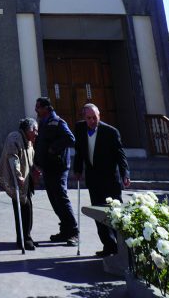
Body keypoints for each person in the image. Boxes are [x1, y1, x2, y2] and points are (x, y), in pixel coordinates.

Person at [73, 102, 131, 257]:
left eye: (95, 117)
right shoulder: (79, 129)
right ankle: (108, 246)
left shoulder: (111, 132)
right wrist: (77, 169)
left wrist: (125, 173)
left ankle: (122, 248)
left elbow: (120, 154)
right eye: (89, 118)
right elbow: (79, 151)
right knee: (98, 213)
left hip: (110, 179)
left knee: (114, 214)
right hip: (93, 179)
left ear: (99, 116)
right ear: (84, 118)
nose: (92, 121)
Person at [33, 95, 78, 245]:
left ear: (46, 108)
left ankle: (73, 232)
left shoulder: (58, 122)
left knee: (61, 197)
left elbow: (70, 138)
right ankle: (64, 230)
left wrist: (53, 148)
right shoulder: (43, 123)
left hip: (58, 167)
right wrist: (37, 163)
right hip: (47, 167)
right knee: (54, 199)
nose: (36, 109)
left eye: (38, 107)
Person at [0, 117, 38, 251]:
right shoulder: (14, 138)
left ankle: (26, 237)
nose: (37, 133)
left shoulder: (29, 140)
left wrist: (35, 168)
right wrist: (18, 176)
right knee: (23, 209)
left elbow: (30, 158)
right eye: (35, 130)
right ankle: (23, 239)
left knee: (27, 208)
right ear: (28, 130)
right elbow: (13, 158)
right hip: (15, 180)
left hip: (26, 180)